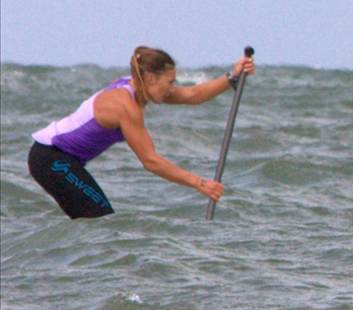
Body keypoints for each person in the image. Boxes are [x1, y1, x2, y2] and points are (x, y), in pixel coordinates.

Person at [27, 46, 257, 218]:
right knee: (101, 220)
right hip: (51, 159)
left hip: (57, 160)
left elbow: (192, 95)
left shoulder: (139, 88)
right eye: (169, 82)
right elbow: (150, 161)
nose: (171, 88)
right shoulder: (125, 106)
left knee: (93, 220)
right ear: (149, 77)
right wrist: (200, 184)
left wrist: (232, 77)